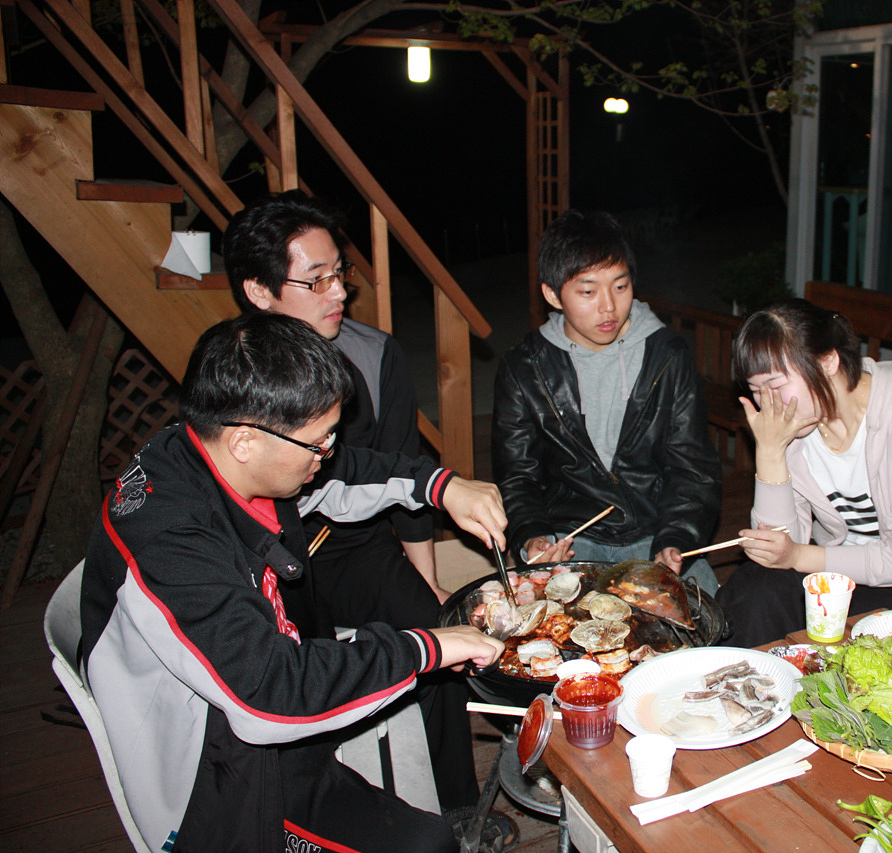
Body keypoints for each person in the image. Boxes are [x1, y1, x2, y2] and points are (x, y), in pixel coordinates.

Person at [80, 313, 506, 853]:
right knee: (426, 846)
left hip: (257, 705)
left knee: (425, 685)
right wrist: (425, 647)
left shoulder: (216, 455)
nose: (328, 451)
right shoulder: (172, 542)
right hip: (217, 777)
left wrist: (441, 487)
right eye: (316, 441)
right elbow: (269, 699)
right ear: (245, 441)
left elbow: (347, 470)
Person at [224, 191, 493, 819]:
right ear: (260, 292)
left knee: (438, 636)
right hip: (269, 554)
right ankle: (318, 809)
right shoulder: (232, 370)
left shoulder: (373, 354)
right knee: (294, 675)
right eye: (315, 279)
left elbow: (396, 469)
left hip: (355, 547)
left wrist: (425, 580)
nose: (339, 291)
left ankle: (456, 809)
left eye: (339, 273)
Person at [716, 298, 892, 648]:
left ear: (828, 362)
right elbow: (777, 545)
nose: (768, 405)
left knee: (766, 601)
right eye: (755, 391)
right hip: (837, 574)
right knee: (754, 588)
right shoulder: (797, 424)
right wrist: (770, 452)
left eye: (775, 386)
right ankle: (739, 678)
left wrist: (798, 556)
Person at [492, 209, 722, 592]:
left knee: (706, 616)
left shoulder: (668, 357)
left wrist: (677, 537)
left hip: (655, 532)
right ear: (552, 294)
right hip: (570, 538)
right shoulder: (525, 368)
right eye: (588, 291)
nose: (609, 306)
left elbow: (693, 469)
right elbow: (518, 474)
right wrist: (532, 535)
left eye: (620, 286)